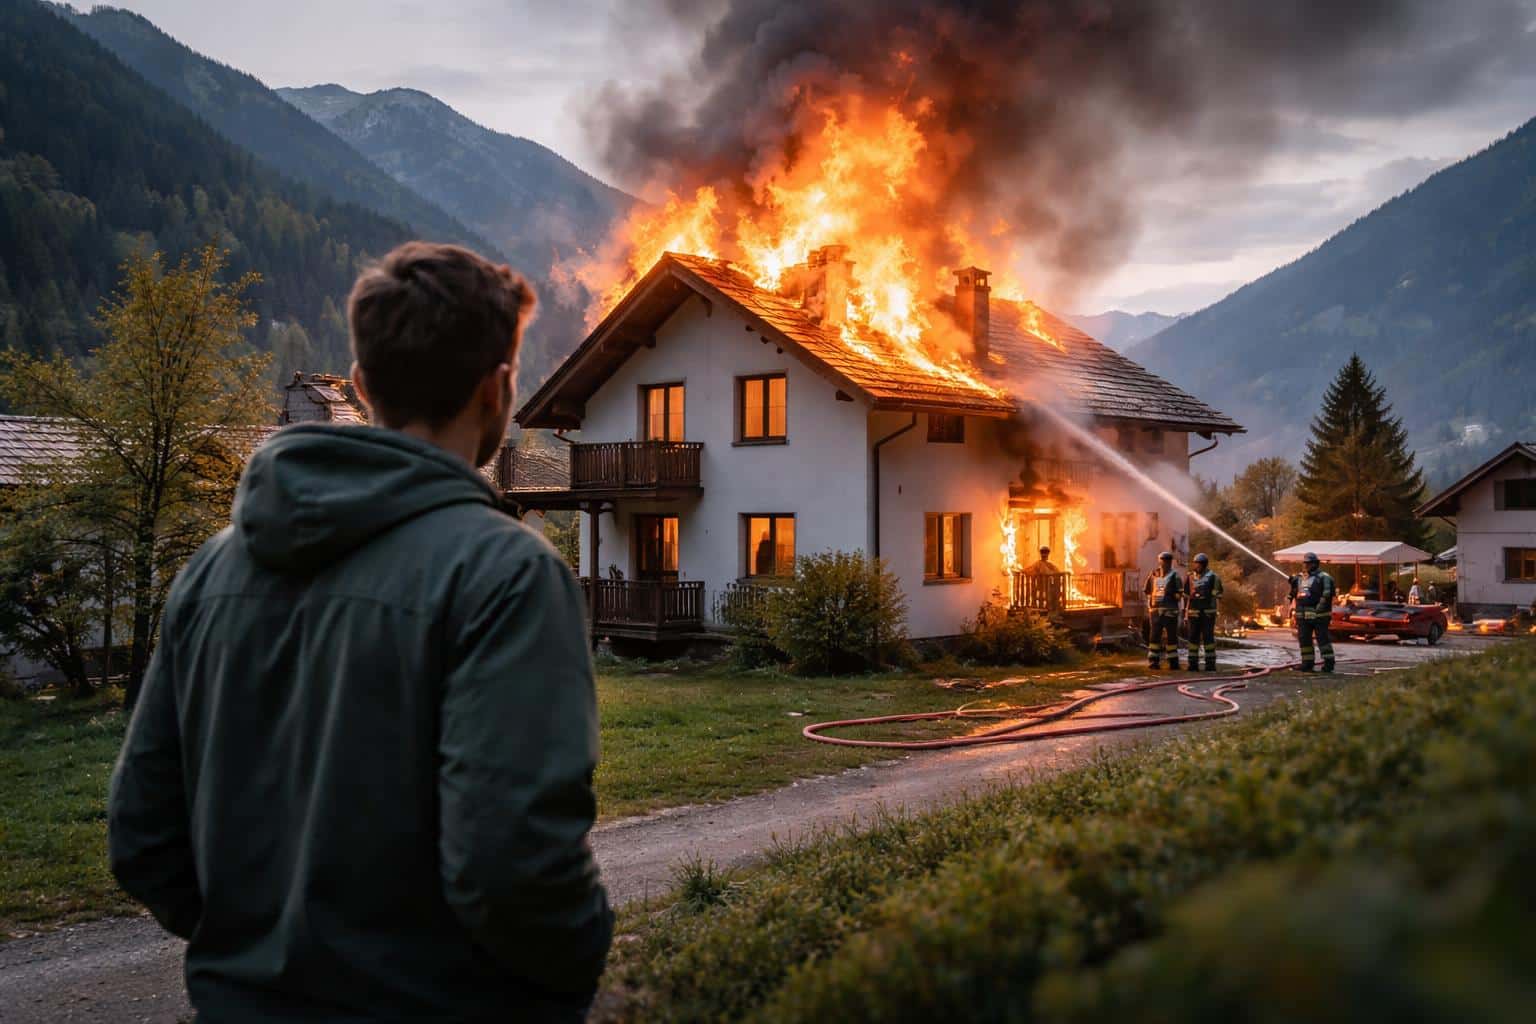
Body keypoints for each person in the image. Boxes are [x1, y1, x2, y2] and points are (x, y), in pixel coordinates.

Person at [108, 243, 613, 1021]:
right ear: (498, 388)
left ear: (362, 384)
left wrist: (253, 955)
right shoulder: (508, 575)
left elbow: (144, 837)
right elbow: (513, 867)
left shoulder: (211, 571)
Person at [1289, 551, 1337, 673]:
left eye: (1309, 563)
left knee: (1323, 640)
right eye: (1305, 563)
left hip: (1320, 616)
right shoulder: (1300, 578)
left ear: (1316, 563)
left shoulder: (1325, 577)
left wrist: (1318, 610)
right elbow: (1295, 594)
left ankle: (1329, 664)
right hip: (1302, 615)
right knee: (1304, 639)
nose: (1306, 566)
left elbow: (1327, 595)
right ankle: (1307, 663)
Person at [1144, 551, 1184, 670]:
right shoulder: (1154, 574)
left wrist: (1171, 594)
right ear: (1160, 561)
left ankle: (1172, 662)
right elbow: (1147, 590)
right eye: (1163, 560)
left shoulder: (1174, 575)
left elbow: (1179, 594)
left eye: (1167, 561)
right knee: (1155, 637)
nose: (1165, 563)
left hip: (1168, 611)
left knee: (1170, 637)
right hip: (1157, 611)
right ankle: (1154, 662)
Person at [1185, 553, 1224, 671]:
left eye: (1198, 564)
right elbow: (1186, 594)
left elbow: (1219, 593)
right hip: (1193, 612)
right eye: (1195, 563)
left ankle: (1210, 664)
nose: (1196, 566)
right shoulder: (1190, 577)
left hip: (1208, 613)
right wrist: (1185, 613)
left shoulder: (1213, 577)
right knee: (1193, 639)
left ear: (1204, 564)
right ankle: (1192, 664)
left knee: (1208, 638)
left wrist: (1208, 595)